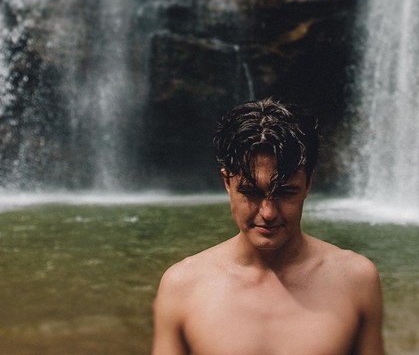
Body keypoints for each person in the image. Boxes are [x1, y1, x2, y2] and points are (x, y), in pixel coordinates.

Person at [151, 98, 386, 355]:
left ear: (308, 184)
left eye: (285, 192)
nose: (268, 212)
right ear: (227, 183)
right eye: (251, 192)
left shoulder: (356, 280)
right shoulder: (182, 285)